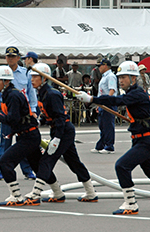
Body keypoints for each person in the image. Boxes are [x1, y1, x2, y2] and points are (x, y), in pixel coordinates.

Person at [77, 61, 150, 215]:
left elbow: (116, 101)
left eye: (124, 77)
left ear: (133, 79)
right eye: (119, 77)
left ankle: (130, 203)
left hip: (145, 141)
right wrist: (143, 117)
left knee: (122, 166)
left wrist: (93, 99)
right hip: (140, 139)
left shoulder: (136, 94)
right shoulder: (138, 94)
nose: (121, 80)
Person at [23, 63, 97, 206]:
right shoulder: (42, 93)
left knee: (47, 160)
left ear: (44, 78)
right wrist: (40, 121)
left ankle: (37, 193)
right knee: (74, 162)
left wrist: (57, 138)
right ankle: (89, 193)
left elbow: (60, 118)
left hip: (63, 131)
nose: (32, 80)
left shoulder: (52, 94)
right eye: (31, 77)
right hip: (59, 130)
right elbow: (48, 114)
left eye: (35, 77)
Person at [0, 65, 41, 206]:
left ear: (6, 81)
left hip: (29, 136)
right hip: (26, 135)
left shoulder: (12, 96)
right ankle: (57, 192)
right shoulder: (9, 94)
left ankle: (16, 196)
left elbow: (13, 120)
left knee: (5, 162)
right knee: (39, 167)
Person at [0, 46, 37, 181]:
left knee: (23, 143)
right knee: (5, 142)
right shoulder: (1, 72)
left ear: (18, 58)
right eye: (8, 56)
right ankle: (3, 170)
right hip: (7, 113)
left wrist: (33, 110)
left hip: (23, 113)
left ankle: (27, 171)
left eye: (13, 56)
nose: (10, 59)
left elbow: (31, 92)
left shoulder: (25, 73)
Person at [92, 59, 117, 154]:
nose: (99, 68)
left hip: (108, 104)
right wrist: (99, 104)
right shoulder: (104, 77)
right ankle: (101, 145)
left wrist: (107, 101)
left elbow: (112, 90)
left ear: (105, 66)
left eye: (100, 66)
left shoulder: (110, 76)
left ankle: (109, 146)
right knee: (102, 126)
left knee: (108, 126)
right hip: (103, 104)